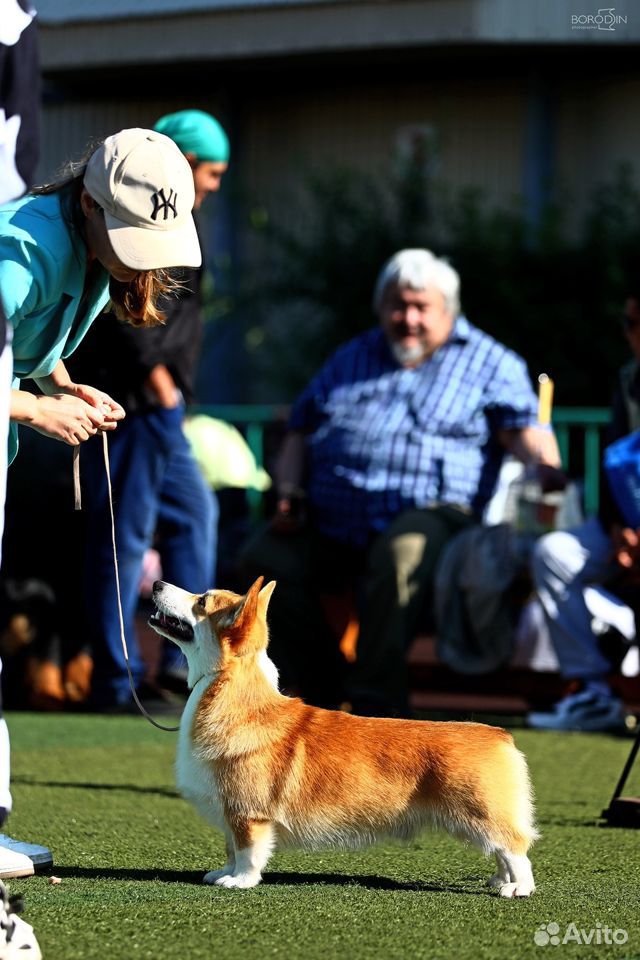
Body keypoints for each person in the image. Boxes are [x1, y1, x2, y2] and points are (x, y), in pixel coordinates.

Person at [0, 125, 201, 884]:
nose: (140, 259)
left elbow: (26, 343)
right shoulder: (22, 251)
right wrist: (35, 411)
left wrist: (60, 383)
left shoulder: (83, 247)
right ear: (87, 204)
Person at [241, 248, 562, 716]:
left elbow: (522, 431)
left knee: (401, 552)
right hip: (334, 520)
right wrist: (290, 492)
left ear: (448, 310)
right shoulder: (354, 355)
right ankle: (325, 687)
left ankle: (375, 701)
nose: (407, 318)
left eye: (420, 307)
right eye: (397, 305)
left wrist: (545, 465)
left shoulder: (490, 362)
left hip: (437, 517)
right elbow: (300, 430)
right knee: (263, 560)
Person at [65, 110, 229, 711]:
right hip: (132, 405)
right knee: (122, 541)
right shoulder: (133, 219)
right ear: (182, 165)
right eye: (210, 171)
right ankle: (118, 681)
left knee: (195, 515)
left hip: (163, 411)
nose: (213, 185)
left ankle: (193, 669)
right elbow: (124, 297)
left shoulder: (178, 220)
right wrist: (159, 383)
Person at [529, 291, 640, 732]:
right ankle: (593, 691)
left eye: (636, 323)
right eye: (627, 322)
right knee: (552, 552)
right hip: (627, 522)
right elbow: (615, 461)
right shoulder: (629, 379)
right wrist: (617, 530)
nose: (628, 333)